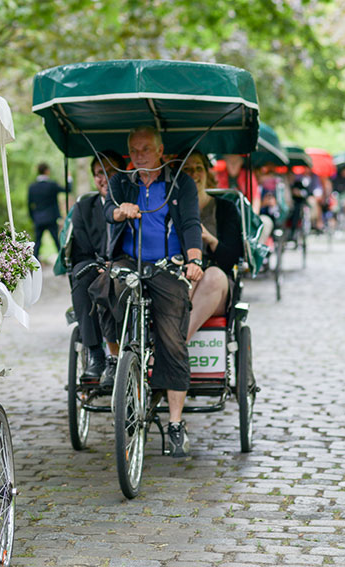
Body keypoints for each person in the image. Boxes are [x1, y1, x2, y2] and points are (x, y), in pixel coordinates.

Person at [103, 126, 204, 458]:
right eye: (134, 150)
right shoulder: (122, 180)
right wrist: (120, 211)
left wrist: (194, 260)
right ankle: (115, 356)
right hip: (129, 260)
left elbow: (189, 222)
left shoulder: (180, 182)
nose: (139, 155)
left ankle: (175, 423)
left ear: (161, 151)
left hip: (166, 265)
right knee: (103, 285)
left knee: (173, 338)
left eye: (146, 148)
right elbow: (108, 210)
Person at [69, 150, 125, 386]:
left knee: (118, 278)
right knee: (80, 275)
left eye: (111, 172)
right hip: (95, 264)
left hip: (125, 265)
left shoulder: (130, 203)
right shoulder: (84, 207)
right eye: (100, 173)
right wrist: (100, 264)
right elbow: (80, 250)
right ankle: (95, 352)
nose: (105, 179)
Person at [181, 150, 243, 340]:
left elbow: (233, 257)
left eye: (199, 168)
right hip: (182, 278)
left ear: (207, 173)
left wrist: (210, 239)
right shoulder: (171, 207)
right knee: (187, 276)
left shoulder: (225, 209)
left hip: (216, 285)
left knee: (212, 276)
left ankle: (178, 343)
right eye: (187, 169)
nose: (194, 174)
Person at [27, 162, 67, 259]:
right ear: (47, 171)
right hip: (51, 218)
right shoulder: (52, 185)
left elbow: (29, 204)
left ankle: (34, 267)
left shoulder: (32, 187)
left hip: (38, 219)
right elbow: (67, 189)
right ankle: (63, 264)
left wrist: (33, 217)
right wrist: (69, 178)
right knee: (57, 242)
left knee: (37, 244)